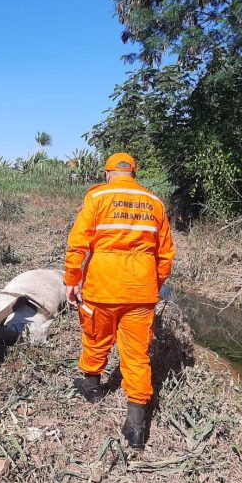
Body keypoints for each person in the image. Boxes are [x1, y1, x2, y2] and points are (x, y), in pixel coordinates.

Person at [64, 152, 176, 449]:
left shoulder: (98, 197)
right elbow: (165, 255)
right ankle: (136, 425)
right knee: (137, 355)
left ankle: (91, 387)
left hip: (103, 285)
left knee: (96, 335)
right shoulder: (154, 202)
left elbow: (78, 242)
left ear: (107, 173)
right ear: (134, 173)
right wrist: (153, 285)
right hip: (141, 289)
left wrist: (72, 280)